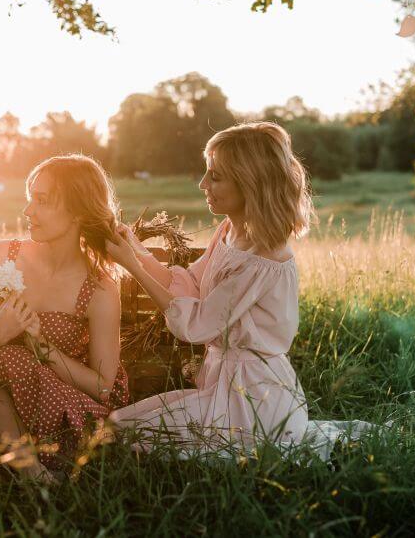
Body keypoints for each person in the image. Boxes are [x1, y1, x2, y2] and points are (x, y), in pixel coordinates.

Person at [106, 121, 313, 454]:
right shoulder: (229, 231)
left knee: (132, 439)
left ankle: (265, 439)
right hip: (221, 382)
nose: (203, 184)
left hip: (254, 399)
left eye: (215, 176)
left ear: (251, 183)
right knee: (118, 425)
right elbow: (189, 284)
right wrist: (137, 251)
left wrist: (130, 265)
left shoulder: (264, 258)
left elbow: (197, 324)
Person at [0, 155, 128, 480]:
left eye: (42, 201)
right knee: (4, 361)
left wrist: (40, 344)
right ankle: (33, 477)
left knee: (11, 359)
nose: (28, 211)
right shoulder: (0, 257)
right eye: (30, 198)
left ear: (77, 211)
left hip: (64, 407)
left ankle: (33, 476)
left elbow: (102, 388)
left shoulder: (99, 287)